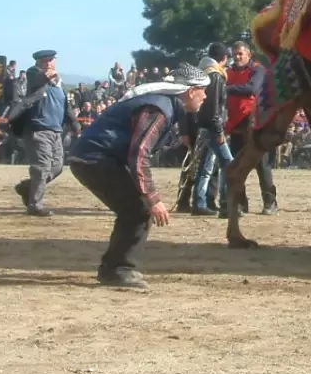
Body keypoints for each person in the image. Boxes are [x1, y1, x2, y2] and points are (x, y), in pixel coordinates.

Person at [68, 63, 211, 288]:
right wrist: (153, 199)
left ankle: (114, 268)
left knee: (133, 209)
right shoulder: (160, 108)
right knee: (138, 209)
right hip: (94, 160)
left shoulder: (163, 104)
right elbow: (139, 154)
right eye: (203, 90)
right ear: (190, 91)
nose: (205, 96)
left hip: (93, 158)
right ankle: (118, 271)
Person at [8, 50, 79, 216]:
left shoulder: (59, 85)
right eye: (44, 61)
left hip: (56, 131)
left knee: (57, 167)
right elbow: (38, 80)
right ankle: (35, 205)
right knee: (42, 168)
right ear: (38, 62)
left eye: (51, 60)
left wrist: (75, 124)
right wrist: (48, 76)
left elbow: (65, 107)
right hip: (37, 129)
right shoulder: (34, 75)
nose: (48, 63)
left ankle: (28, 187)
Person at [221, 40, 278, 216]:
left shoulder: (257, 69)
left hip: (255, 123)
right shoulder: (228, 72)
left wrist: (225, 88)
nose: (237, 57)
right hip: (235, 124)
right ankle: (240, 204)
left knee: (262, 165)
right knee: (238, 166)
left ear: (248, 54)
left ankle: (270, 203)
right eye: (235, 54)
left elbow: (252, 88)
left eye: (240, 54)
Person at [190, 43, 231, 217]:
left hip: (203, 126)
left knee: (206, 166)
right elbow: (214, 107)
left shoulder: (203, 72)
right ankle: (227, 202)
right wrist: (219, 130)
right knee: (229, 163)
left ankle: (199, 202)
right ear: (224, 58)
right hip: (213, 127)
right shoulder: (216, 76)